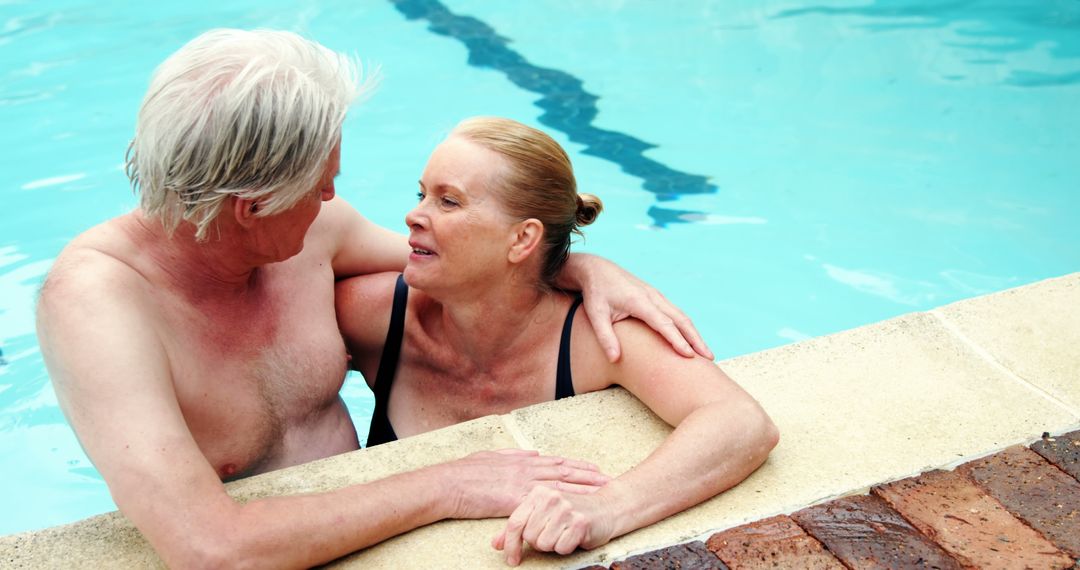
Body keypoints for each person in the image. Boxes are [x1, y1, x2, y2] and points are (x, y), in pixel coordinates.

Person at [34, 30, 714, 568]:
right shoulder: (100, 307)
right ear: (251, 207)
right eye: (321, 183)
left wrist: (586, 267)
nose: (335, 198)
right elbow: (214, 549)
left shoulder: (309, 232)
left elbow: (475, 262)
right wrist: (449, 485)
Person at [335, 117, 780, 565]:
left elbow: (740, 422)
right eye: (422, 194)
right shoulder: (375, 315)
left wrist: (607, 507)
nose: (413, 215)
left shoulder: (594, 335)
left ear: (523, 238)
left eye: (448, 201)